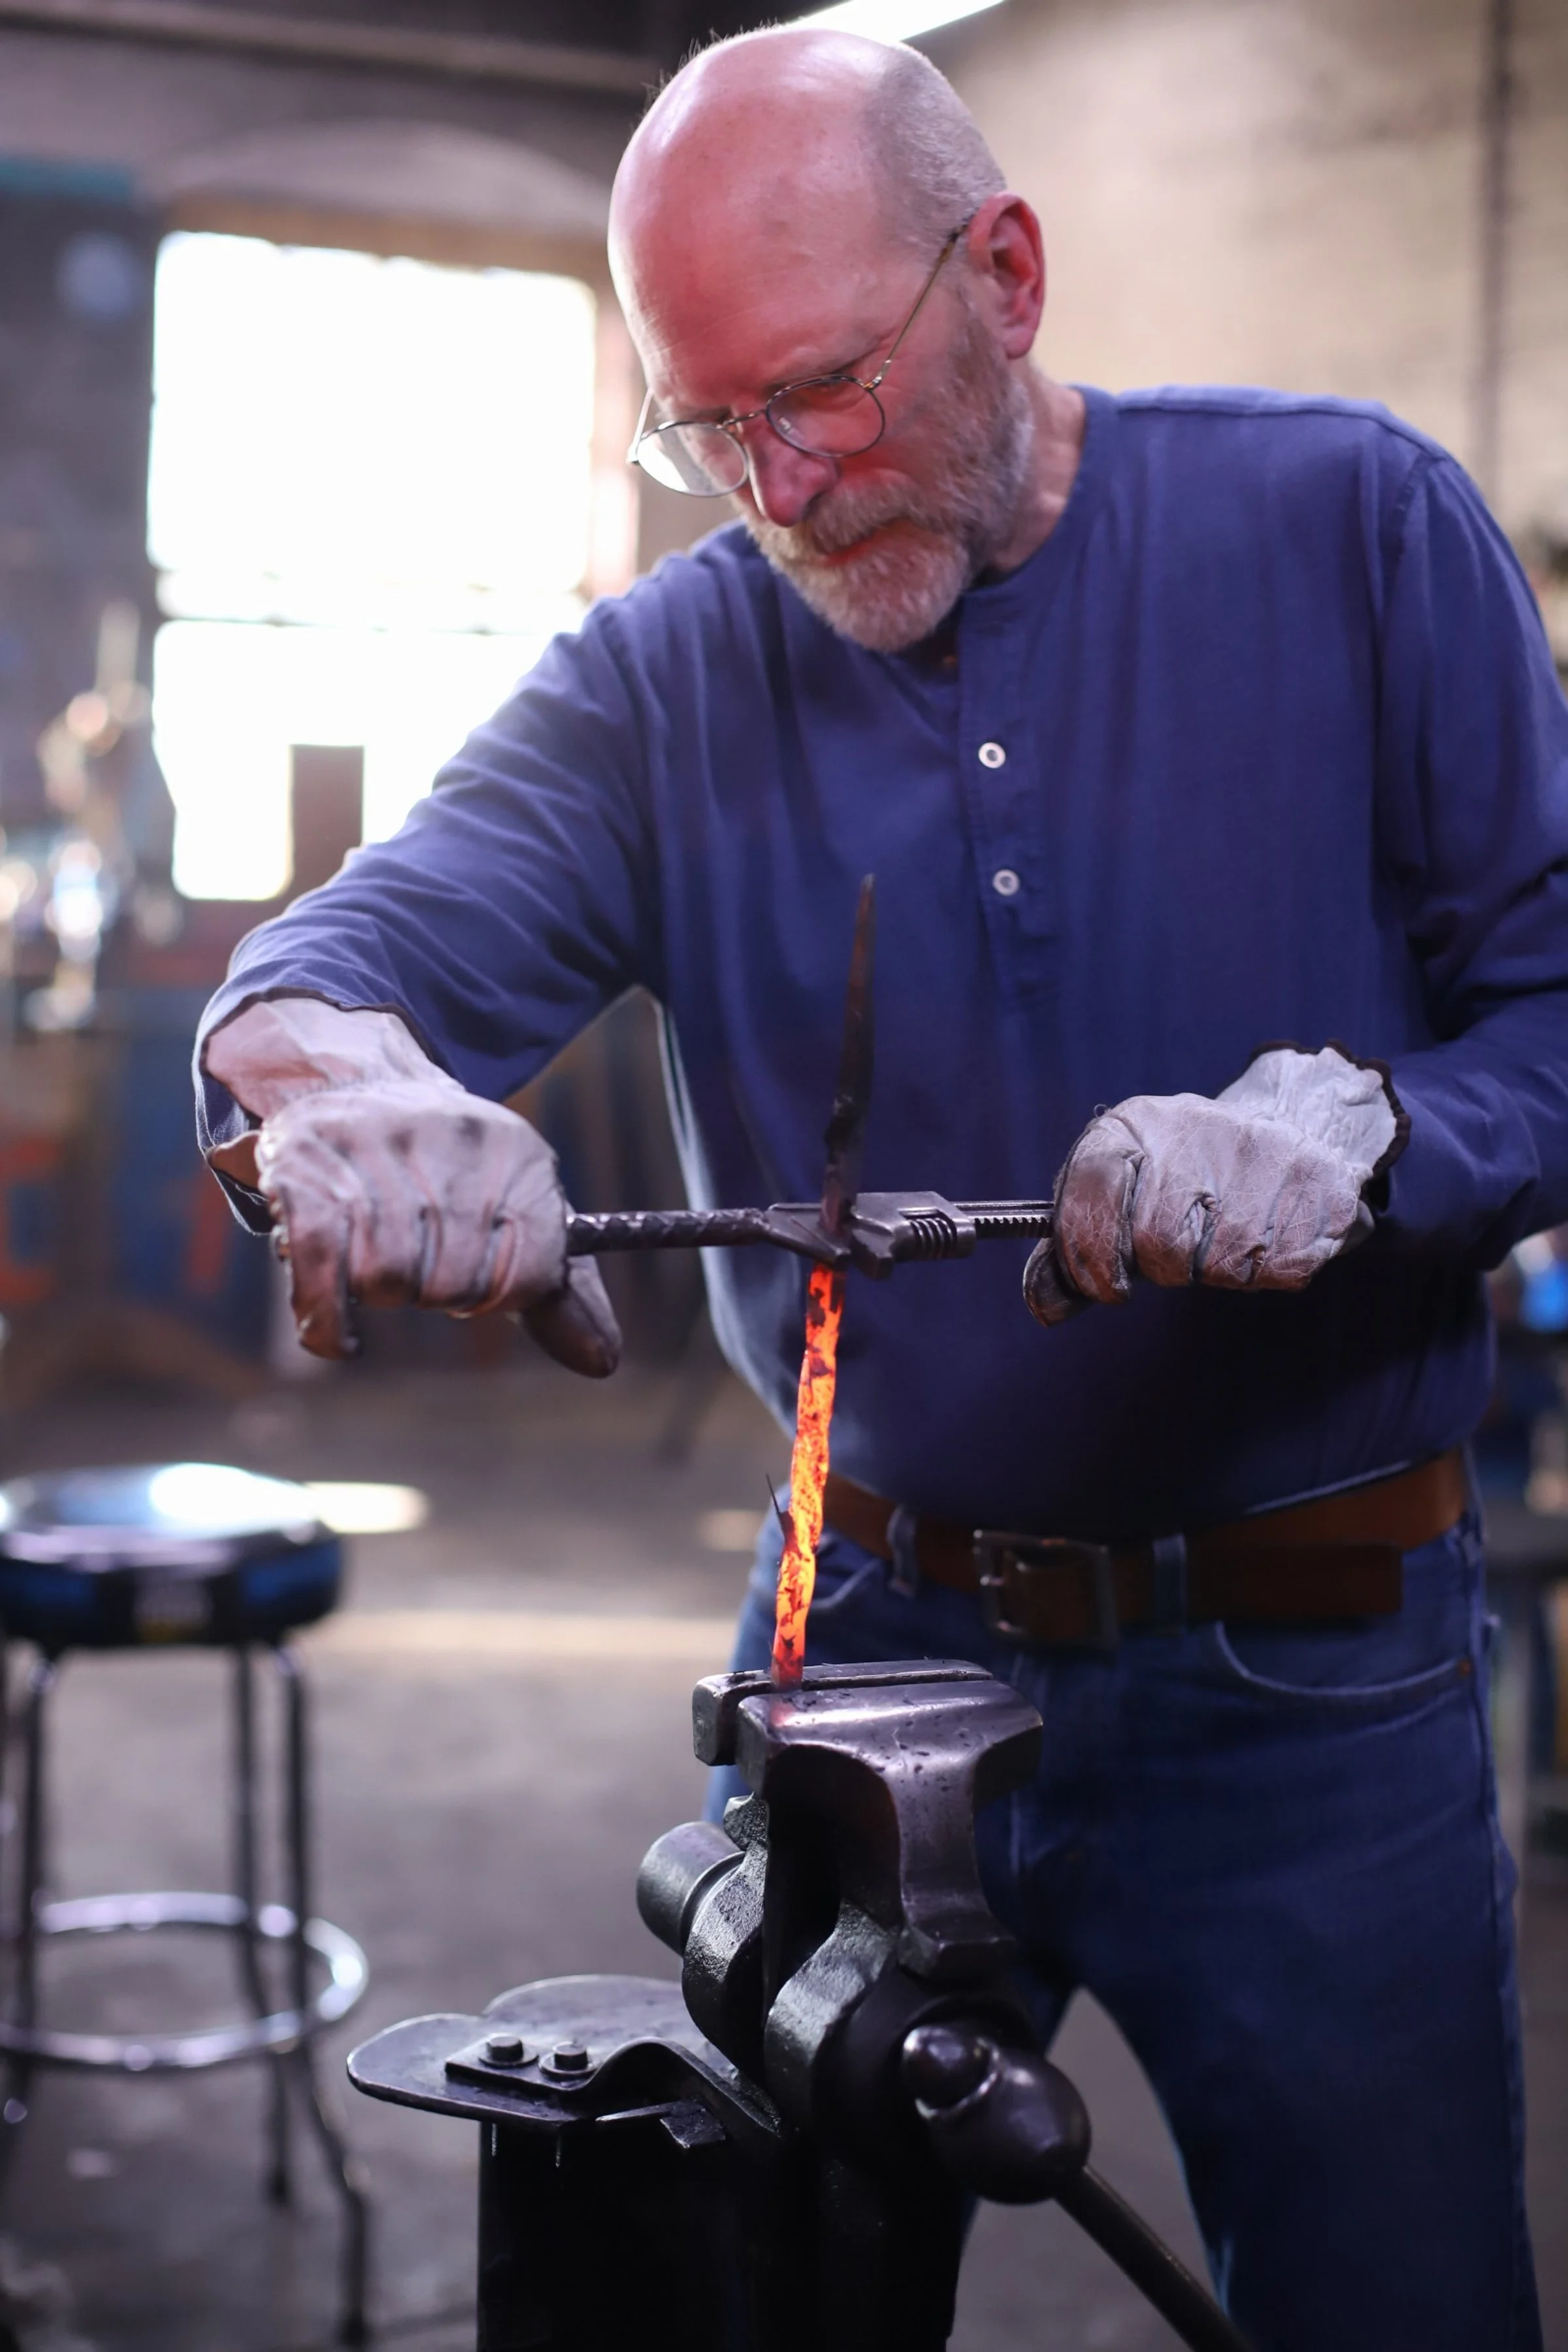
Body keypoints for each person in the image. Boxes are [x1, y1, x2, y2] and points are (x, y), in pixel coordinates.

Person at [195, 29, 1567, 2349]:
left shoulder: (1353, 529)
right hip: (862, 1651)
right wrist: (337, 1083)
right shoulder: (665, 678)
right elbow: (337, 963)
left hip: (1312, 1666)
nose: (785, 483)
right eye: (707, 426)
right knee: (762, 2301)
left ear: (1005, 275)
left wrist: (1377, 1134)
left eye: (823, 388)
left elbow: (1552, 1001)